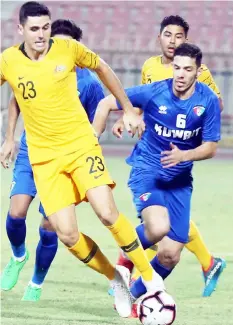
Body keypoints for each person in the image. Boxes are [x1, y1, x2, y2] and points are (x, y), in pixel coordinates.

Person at [0, 2, 166, 318]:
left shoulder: (67, 48)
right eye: (34, 29)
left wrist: (129, 108)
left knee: (106, 212)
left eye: (45, 27)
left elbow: (103, 68)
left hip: (80, 146)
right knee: (67, 234)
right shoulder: (9, 60)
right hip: (44, 160)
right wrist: (9, 138)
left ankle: (149, 277)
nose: (41, 35)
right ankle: (115, 278)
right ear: (20, 29)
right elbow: (14, 100)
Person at [93, 43, 221, 311]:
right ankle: (123, 265)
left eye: (188, 69)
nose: (181, 74)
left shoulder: (207, 100)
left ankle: (129, 297)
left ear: (198, 72)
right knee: (159, 227)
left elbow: (210, 147)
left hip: (180, 181)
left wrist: (184, 157)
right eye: (177, 68)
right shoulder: (155, 91)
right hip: (147, 170)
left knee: (171, 254)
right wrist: (97, 133)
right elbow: (107, 101)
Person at [1, 18, 105, 302]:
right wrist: (10, 138)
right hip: (31, 151)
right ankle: (17, 255)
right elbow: (15, 100)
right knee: (15, 213)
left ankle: (35, 283)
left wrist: (87, 143)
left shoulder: (89, 83)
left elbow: (100, 117)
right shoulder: (31, 66)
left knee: (50, 226)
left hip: (65, 159)